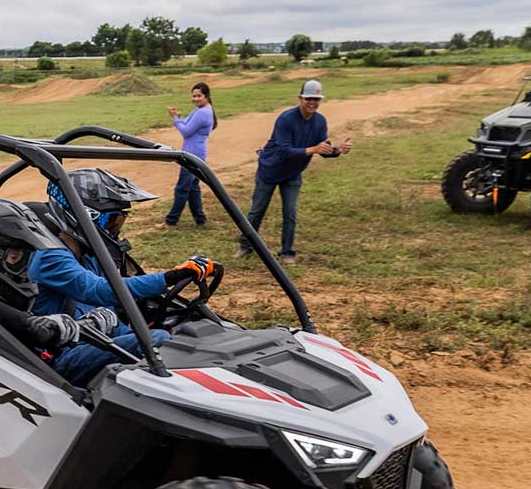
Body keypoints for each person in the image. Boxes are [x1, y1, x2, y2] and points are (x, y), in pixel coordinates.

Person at [32, 175, 218, 384]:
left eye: (119, 221)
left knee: (185, 334)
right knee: (159, 341)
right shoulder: (49, 257)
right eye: (111, 221)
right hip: (65, 355)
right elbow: (99, 290)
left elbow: (113, 313)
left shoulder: (90, 255)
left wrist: (136, 334)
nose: (115, 230)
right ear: (80, 217)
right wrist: (170, 277)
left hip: (100, 340)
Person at [0, 198, 109, 354]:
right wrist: (33, 324)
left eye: (24, 258)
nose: (23, 271)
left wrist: (86, 320)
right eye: (14, 258)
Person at [243, 79, 351, 262]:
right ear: (300, 98)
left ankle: (287, 252)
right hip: (270, 170)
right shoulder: (286, 119)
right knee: (257, 210)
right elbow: (285, 150)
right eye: (308, 98)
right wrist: (313, 149)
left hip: (293, 173)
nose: (312, 103)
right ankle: (245, 247)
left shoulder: (320, 121)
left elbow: (322, 149)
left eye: (316, 99)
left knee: (290, 212)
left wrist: (337, 150)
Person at [163, 82, 216, 226]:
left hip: (192, 154)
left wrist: (174, 118)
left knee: (182, 188)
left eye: (199, 96)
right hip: (195, 153)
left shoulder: (203, 113)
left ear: (206, 96)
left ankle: (171, 221)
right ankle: (200, 219)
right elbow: (185, 123)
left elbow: (186, 131)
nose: (196, 99)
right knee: (193, 188)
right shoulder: (200, 110)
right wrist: (178, 118)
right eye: (193, 96)